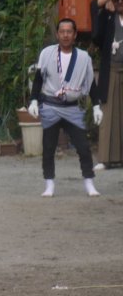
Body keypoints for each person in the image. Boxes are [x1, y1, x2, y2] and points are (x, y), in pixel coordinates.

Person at [27, 18, 100, 197]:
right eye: (62, 31)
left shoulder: (83, 57)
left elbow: (90, 84)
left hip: (72, 108)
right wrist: (34, 101)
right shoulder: (47, 53)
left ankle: (89, 182)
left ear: (75, 35)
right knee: (48, 147)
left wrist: (97, 106)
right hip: (51, 106)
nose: (65, 35)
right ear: (57, 34)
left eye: (69, 32)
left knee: (83, 147)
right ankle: (49, 184)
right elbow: (38, 79)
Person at [90, 0, 123, 169]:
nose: (119, 2)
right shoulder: (108, 18)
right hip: (110, 71)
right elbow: (95, 4)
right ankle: (105, 159)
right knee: (108, 115)